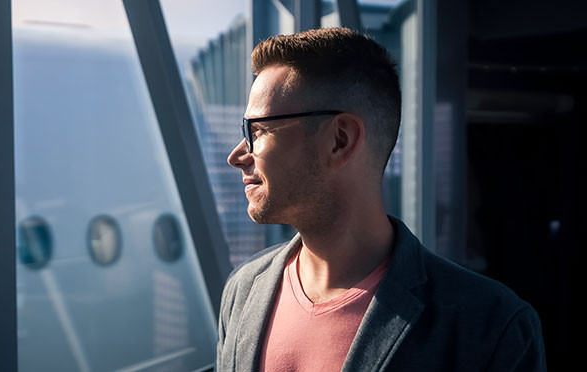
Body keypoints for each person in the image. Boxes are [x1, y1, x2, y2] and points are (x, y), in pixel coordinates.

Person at [216, 28, 546, 372]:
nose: (237, 155)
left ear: (340, 140)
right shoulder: (243, 291)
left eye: (257, 131)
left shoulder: (490, 326)